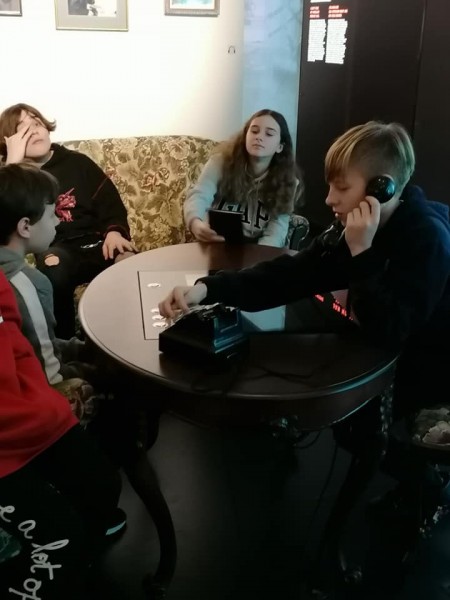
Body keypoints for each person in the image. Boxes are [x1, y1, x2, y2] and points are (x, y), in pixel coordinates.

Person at [160, 120, 450, 421]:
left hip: (425, 373)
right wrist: (208, 289)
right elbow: (289, 275)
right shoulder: (353, 230)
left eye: (342, 187)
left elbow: (389, 330)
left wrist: (362, 252)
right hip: (379, 359)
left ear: (381, 189)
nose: (329, 198)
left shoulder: (428, 238)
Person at [0, 267, 123, 600]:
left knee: (102, 485)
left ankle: (76, 577)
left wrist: (36, 395)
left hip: (25, 411)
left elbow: (12, 334)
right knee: (56, 541)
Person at [0, 103, 136, 338]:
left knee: (128, 259)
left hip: (98, 243)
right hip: (58, 250)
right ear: (11, 140)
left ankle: (131, 335)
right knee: (54, 265)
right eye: (24, 129)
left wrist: (115, 232)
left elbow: (110, 204)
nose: (34, 130)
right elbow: (5, 215)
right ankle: (63, 344)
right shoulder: (13, 179)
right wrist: (13, 161)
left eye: (37, 123)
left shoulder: (78, 163)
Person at [0, 163, 99, 425]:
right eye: (52, 214)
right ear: (25, 227)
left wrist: (82, 349)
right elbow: (49, 373)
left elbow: (38, 343)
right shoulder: (28, 284)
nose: (58, 220)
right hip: (33, 396)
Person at [184, 108, 304, 248]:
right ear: (245, 136)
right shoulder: (219, 163)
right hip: (215, 244)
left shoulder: (288, 181)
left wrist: (259, 257)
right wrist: (195, 223)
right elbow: (199, 194)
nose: (259, 137)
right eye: (254, 131)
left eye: (269, 134)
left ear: (280, 147)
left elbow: (277, 231)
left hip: (257, 250)